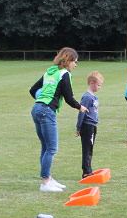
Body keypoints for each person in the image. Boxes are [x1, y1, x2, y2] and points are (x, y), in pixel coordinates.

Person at [29, 47, 88, 192]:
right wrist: (80, 107)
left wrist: (42, 100)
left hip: (36, 109)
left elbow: (32, 90)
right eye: (75, 61)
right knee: (52, 148)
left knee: (45, 146)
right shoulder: (64, 74)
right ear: (68, 61)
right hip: (47, 112)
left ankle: (47, 178)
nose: (76, 64)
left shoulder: (50, 72)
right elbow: (68, 98)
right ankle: (45, 183)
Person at [76, 71, 103, 179]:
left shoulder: (93, 97)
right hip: (87, 126)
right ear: (92, 83)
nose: (100, 87)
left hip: (93, 126)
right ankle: (86, 172)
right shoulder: (87, 97)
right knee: (87, 149)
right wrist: (78, 127)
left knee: (90, 148)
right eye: (98, 85)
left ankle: (89, 169)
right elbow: (81, 112)